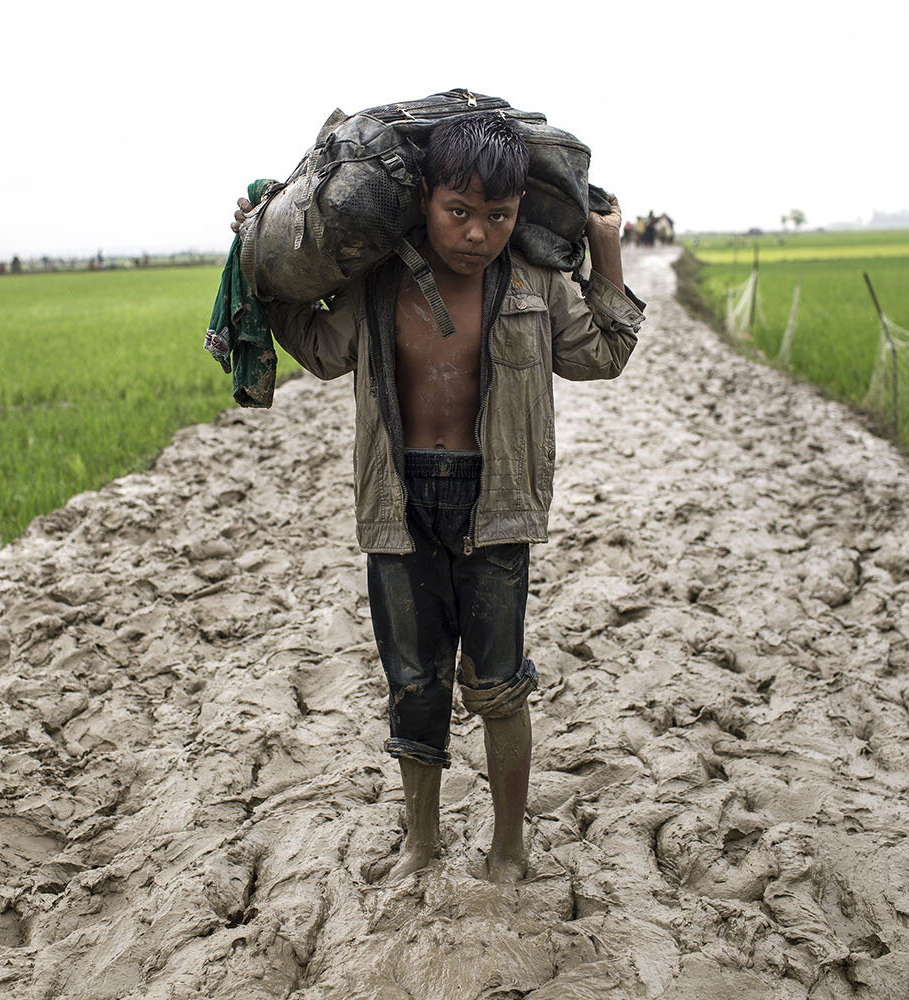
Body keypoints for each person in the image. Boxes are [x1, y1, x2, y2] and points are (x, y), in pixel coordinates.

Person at [232, 114, 644, 884]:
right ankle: (421, 842)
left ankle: (510, 847)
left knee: (501, 682)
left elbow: (606, 352)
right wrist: (262, 268)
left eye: (499, 216)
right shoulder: (380, 280)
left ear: (519, 212)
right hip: (399, 503)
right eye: (460, 212)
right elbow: (323, 351)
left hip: (497, 506)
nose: (478, 233)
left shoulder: (535, 282)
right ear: (423, 196)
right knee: (414, 685)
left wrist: (609, 245)